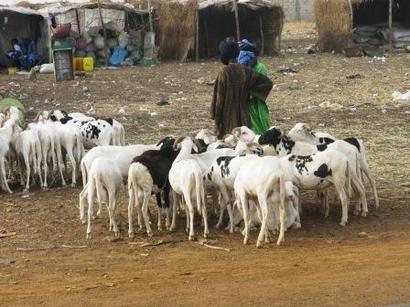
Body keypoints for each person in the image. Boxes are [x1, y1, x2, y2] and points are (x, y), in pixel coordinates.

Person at [211, 37, 273, 139]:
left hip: (227, 119)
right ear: (236, 54)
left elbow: (219, 100)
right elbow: (267, 84)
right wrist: (248, 93)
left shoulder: (224, 73)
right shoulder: (246, 71)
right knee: (244, 143)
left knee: (230, 144)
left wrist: (216, 120)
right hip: (245, 117)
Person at [237, 39, 271, 134]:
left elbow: (262, 85)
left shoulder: (260, 67)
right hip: (244, 103)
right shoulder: (241, 67)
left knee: (261, 122)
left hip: (257, 102)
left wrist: (248, 93)